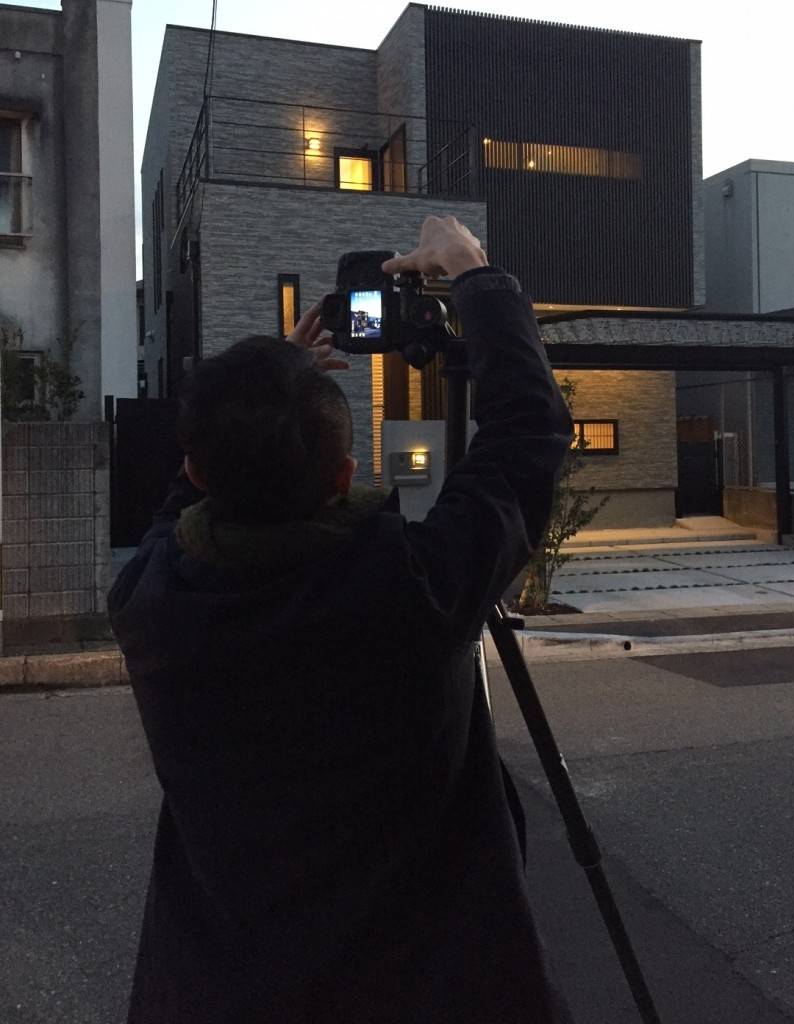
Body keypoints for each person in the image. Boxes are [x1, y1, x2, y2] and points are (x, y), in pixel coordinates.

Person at [110, 216, 575, 1023]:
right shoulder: (411, 587)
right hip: (428, 989)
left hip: (219, 994)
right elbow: (528, 434)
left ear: (195, 469)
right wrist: (475, 274)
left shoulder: (151, 603)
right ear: (344, 476)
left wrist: (270, 382)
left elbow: (178, 507)